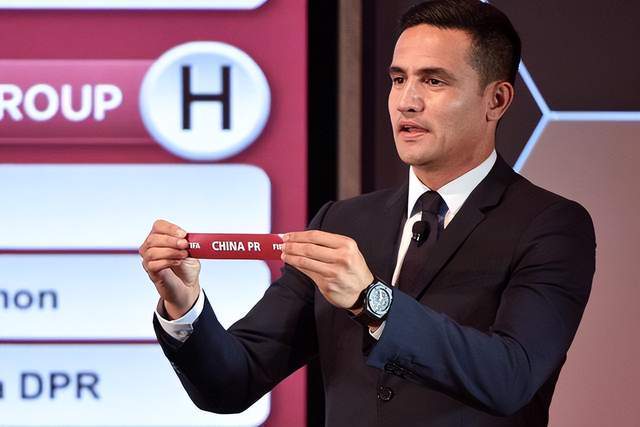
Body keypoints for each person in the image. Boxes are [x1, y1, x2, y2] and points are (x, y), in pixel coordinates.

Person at [139, 1, 595, 425]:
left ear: (496, 100)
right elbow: (232, 384)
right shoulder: (343, 223)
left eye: (433, 81)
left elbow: (510, 377)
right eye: (398, 79)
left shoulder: (550, 226)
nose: (406, 101)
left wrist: (371, 301)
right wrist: (185, 307)